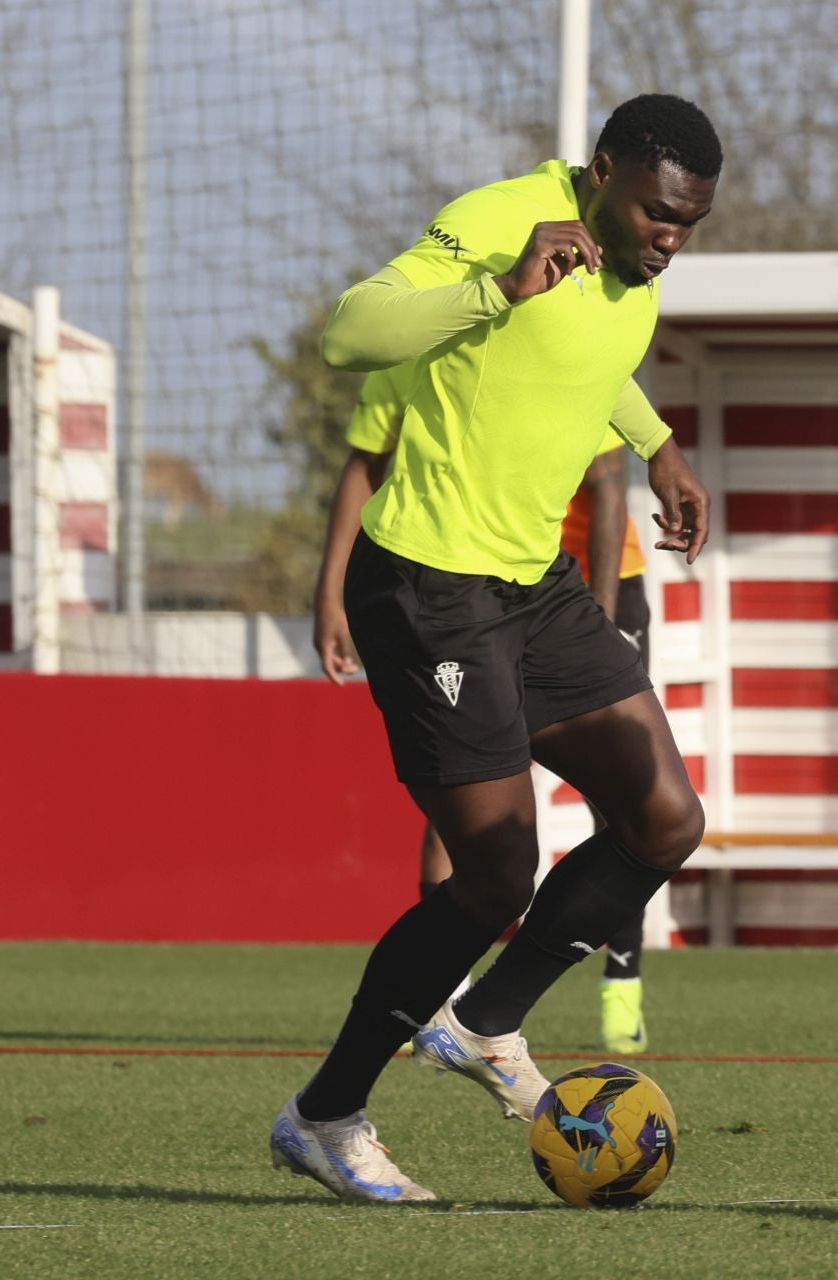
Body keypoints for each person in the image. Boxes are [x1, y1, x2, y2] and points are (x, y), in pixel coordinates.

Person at [270, 93, 721, 1203]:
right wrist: (491, 285)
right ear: (604, 172)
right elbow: (347, 332)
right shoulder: (501, 221)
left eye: (690, 224)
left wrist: (657, 445)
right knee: (492, 874)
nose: (671, 238)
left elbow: (583, 354)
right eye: (658, 213)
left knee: (665, 817)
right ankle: (324, 1115)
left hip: (536, 585)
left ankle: (482, 1019)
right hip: (428, 585)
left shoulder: (629, 270)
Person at [312, 380, 656, 1057]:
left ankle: (622, 985)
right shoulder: (417, 327)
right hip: (469, 585)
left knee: (626, 801)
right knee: (470, 791)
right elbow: (365, 463)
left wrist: (607, 620)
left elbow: (609, 482)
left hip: (590, 584)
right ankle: (443, 995)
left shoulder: (567, 323)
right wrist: (330, 591)